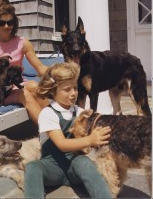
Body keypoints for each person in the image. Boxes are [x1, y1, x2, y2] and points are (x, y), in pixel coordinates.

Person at [24, 62, 112, 198]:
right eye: (67, 89)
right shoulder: (48, 113)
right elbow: (62, 144)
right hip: (51, 168)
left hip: (74, 167)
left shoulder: (79, 112)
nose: (73, 93)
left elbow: (98, 122)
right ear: (53, 91)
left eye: (75, 88)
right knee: (32, 167)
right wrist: (90, 140)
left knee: (85, 162)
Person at [0, 0, 48, 124]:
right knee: (24, 94)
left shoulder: (23, 43)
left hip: (18, 84)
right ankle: (50, 133)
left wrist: (60, 77)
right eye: (2, 22)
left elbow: (40, 68)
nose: (7, 26)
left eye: (10, 22)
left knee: (35, 86)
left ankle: (58, 125)